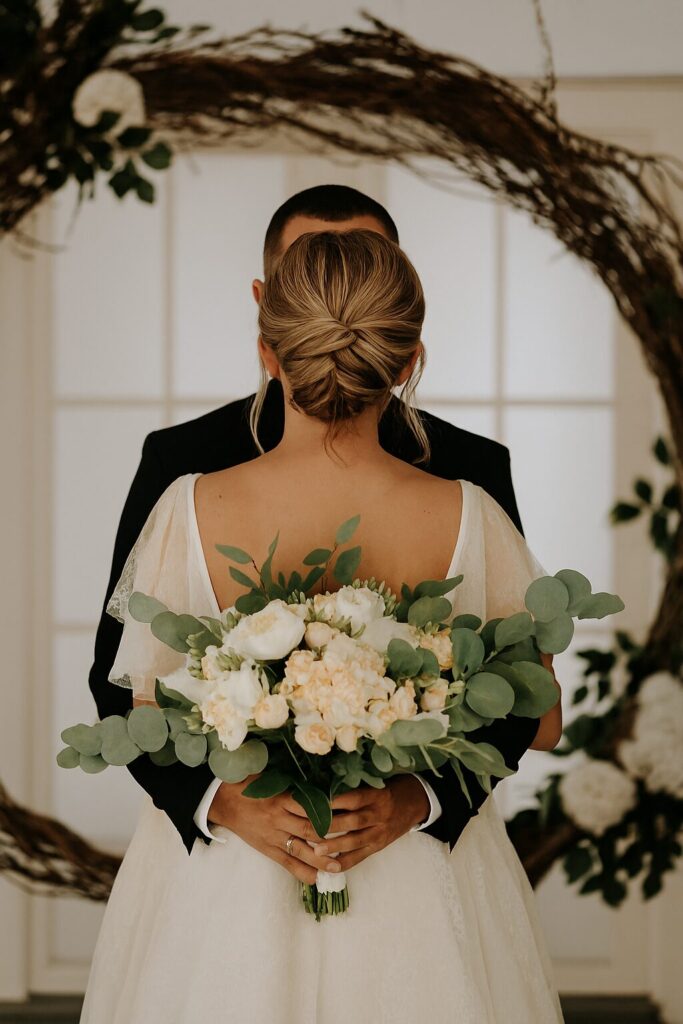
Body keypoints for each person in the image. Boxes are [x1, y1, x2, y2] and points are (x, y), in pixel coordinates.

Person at [80, 203, 564, 1022]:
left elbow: (142, 707)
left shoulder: (190, 505)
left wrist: (418, 797)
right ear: (407, 360)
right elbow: (540, 719)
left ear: (267, 348)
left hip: (234, 879)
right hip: (406, 880)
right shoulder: (468, 513)